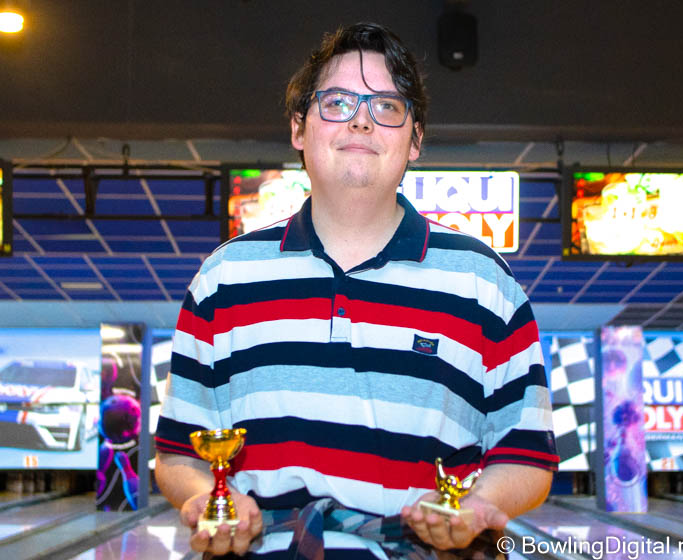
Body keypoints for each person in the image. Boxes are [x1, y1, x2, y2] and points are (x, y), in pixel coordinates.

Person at [155, 22, 558, 559]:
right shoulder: (224, 278)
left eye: (387, 106)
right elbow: (179, 453)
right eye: (337, 102)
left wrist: (479, 505)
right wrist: (208, 498)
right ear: (299, 129)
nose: (362, 120)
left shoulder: (485, 282)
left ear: (415, 140)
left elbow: (526, 455)